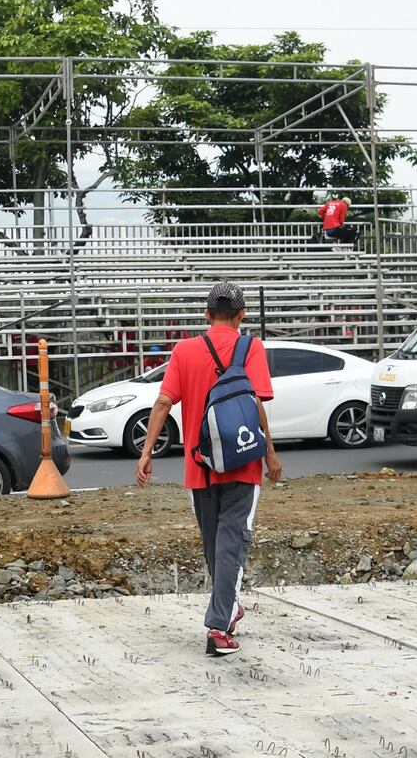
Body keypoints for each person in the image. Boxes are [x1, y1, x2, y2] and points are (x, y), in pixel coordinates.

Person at [135, 282, 283, 657]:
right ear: (242, 314)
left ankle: (228, 608)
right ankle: (218, 628)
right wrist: (270, 454)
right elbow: (256, 404)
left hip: (199, 467)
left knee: (216, 545)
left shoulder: (185, 350)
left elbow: (164, 402)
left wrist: (146, 453)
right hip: (242, 463)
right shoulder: (251, 347)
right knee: (232, 542)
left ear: (206, 315)